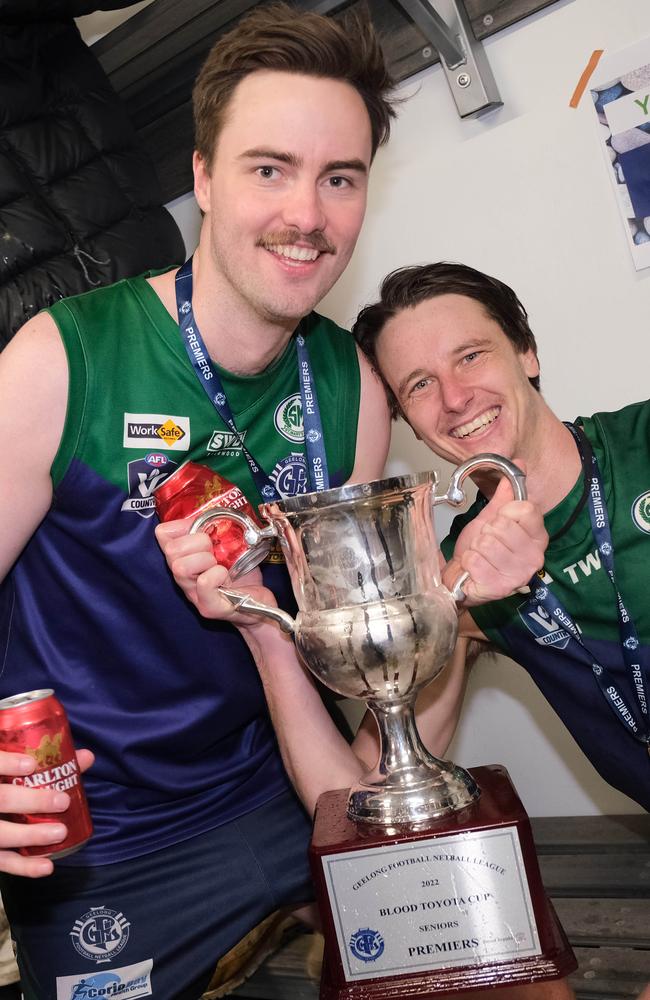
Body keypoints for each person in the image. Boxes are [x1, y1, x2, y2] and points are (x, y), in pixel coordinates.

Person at [0, 4, 400, 997]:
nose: (306, 215)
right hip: (109, 842)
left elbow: (342, 640)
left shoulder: (349, 387)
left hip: (281, 792)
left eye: (338, 178)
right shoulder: (63, 357)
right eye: (269, 168)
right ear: (202, 179)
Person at [351, 260, 650, 818]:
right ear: (408, 424)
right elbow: (368, 788)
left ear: (527, 352)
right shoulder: (456, 580)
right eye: (419, 385)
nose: (456, 397)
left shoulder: (643, 444)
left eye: (470, 355)